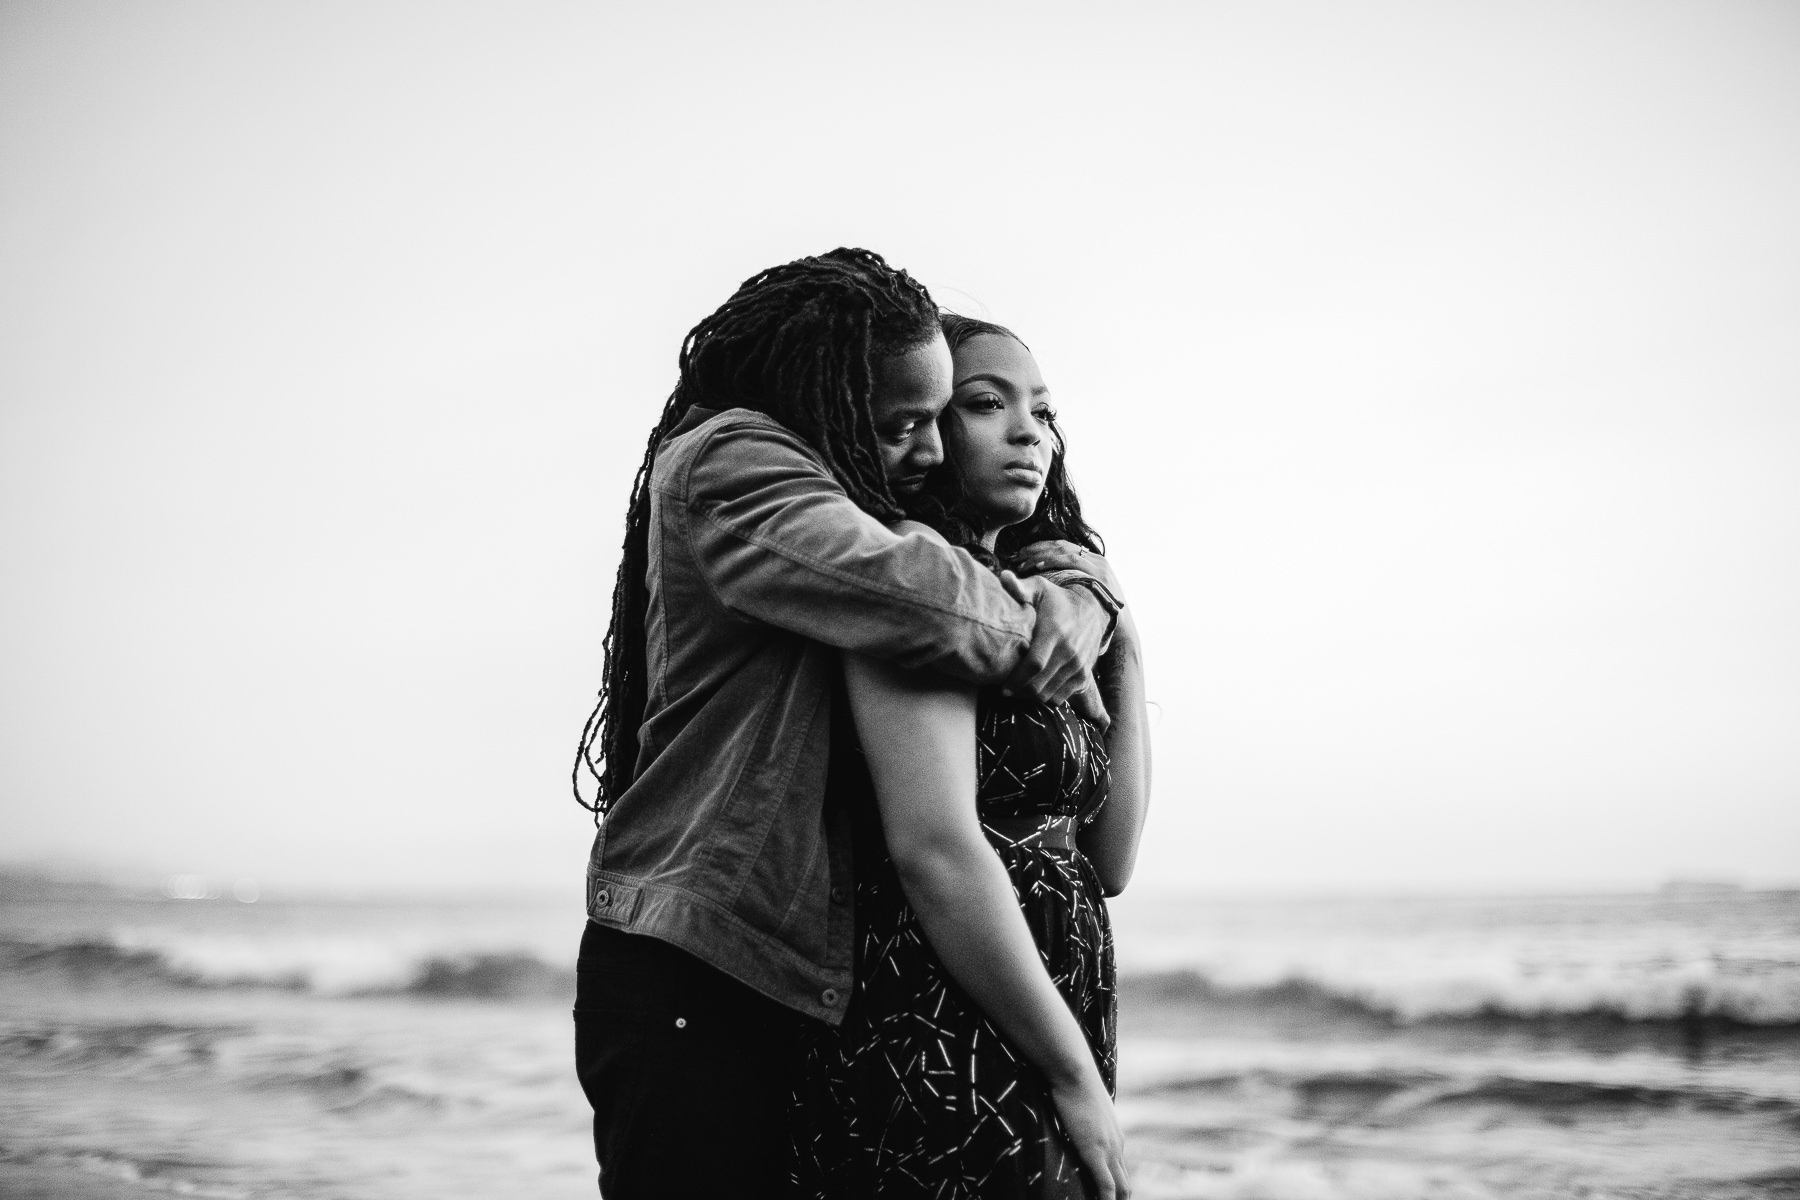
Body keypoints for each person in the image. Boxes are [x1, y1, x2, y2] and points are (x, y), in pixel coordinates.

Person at [569, 252, 1123, 1200]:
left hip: (769, 967)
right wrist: (1070, 603)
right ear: (822, 391)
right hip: (696, 969)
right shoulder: (732, 463)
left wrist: (1086, 586)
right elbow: (920, 599)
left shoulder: (830, 493)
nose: (927, 452)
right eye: (905, 422)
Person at [794, 315, 1150, 1200]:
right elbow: (936, 850)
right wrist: (1071, 1075)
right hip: (942, 1017)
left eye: (1042, 409)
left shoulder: (1047, 613)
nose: (1030, 431)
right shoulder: (913, 587)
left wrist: (1127, 646)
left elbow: (1106, 862)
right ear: (920, 429)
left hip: (1048, 1008)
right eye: (987, 404)